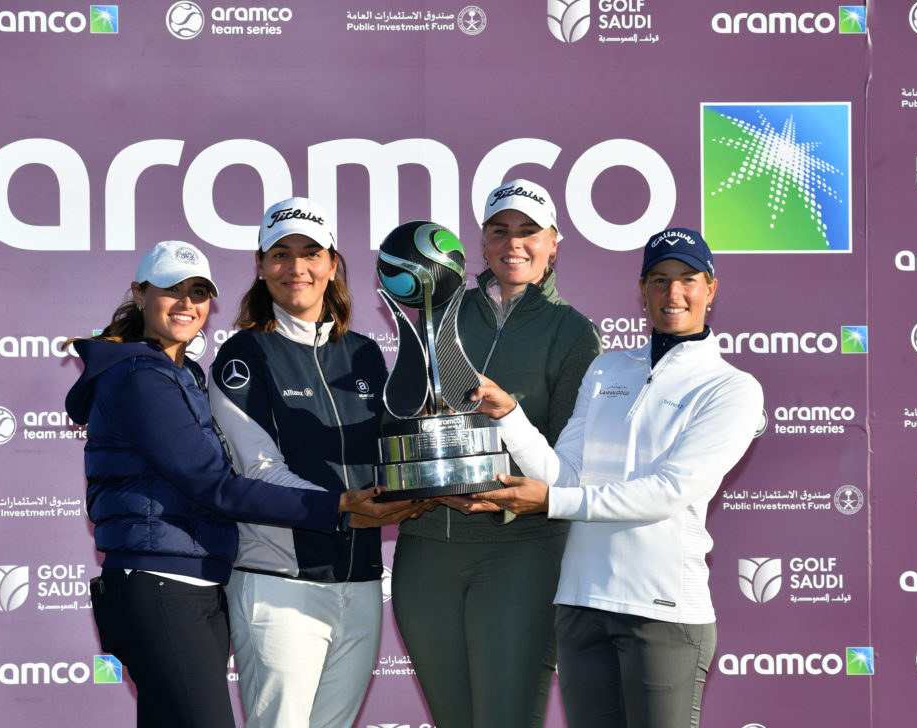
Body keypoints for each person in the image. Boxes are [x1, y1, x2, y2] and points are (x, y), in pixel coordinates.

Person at [64, 240, 400, 728]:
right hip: (161, 583)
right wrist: (336, 507)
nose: (186, 304)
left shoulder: (179, 373)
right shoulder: (142, 379)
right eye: (169, 290)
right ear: (139, 295)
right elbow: (216, 487)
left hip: (192, 581)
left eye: (198, 292)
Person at [464, 227, 764, 728]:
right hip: (581, 601)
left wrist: (553, 502)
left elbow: (670, 492)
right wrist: (508, 415)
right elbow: (565, 474)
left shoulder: (731, 388)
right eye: (660, 280)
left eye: (688, 280)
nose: (673, 294)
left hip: (663, 609)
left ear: (711, 289)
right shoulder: (607, 370)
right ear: (642, 289)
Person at [391, 179, 602, 728]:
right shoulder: (440, 314)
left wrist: (505, 495)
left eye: (529, 232)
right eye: (500, 231)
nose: (515, 244)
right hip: (427, 549)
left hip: (520, 553)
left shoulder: (573, 332)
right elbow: (410, 418)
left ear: (554, 242)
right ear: (481, 244)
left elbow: (567, 464)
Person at [208, 198, 423, 728]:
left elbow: (384, 455)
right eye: (280, 254)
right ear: (260, 266)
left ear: (332, 263)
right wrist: (343, 509)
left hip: (362, 582)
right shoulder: (241, 356)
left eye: (310, 253)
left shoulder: (366, 354)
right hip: (280, 582)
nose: (296, 268)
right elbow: (258, 471)